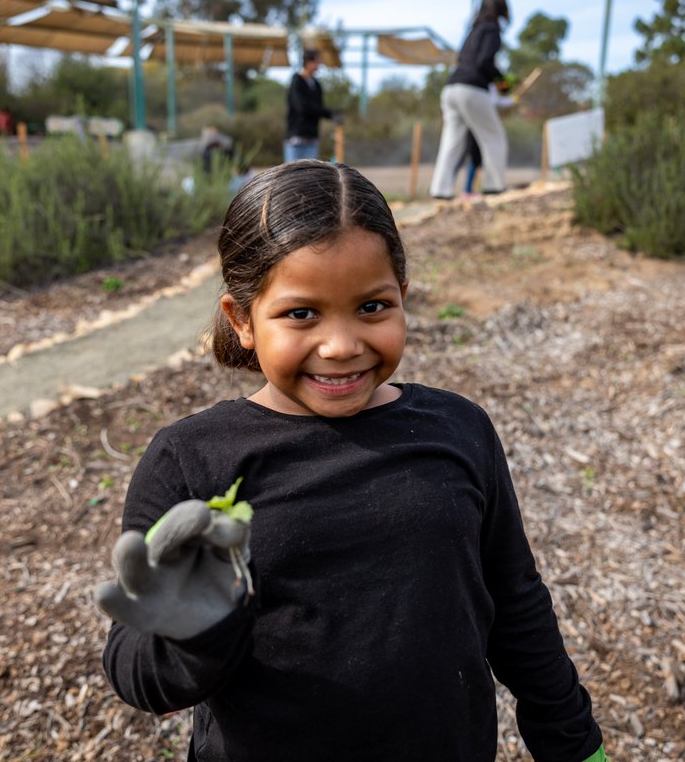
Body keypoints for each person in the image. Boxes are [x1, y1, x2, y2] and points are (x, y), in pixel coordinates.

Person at [94, 160, 607, 762]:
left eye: (372, 307)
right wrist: (192, 640)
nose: (342, 345)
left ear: (403, 297)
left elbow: (516, 603)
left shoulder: (459, 429)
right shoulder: (191, 460)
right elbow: (135, 670)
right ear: (242, 321)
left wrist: (573, 744)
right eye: (301, 313)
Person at [430, 0, 512, 199]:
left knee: (452, 141)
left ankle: (441, 190)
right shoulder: (493, 29)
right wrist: (503, 82)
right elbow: (485, 62)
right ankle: (494, 186)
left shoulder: (473, 28)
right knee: (493, 136)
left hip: (450, 88)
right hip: (472, 89)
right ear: (502, 7)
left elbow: (465, 60)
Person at [284, 49, 337, 162]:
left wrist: (330, 114)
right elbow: (301, 107)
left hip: (312, 136)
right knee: (292, 174)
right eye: (317, 62)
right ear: (308, 62)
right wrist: (325, 113)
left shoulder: (316, 85)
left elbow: (318, 107)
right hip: (297, 135)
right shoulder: (297, 81)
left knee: (310, 173)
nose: (319, 65)